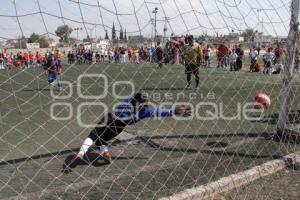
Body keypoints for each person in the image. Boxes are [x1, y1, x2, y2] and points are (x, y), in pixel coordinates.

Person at [74, 93, 191, 164]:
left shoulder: (127, 101)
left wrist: (138, 96)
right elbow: (160, 112)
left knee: (94, 135)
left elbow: (134, 97)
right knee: (101, 140)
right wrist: (174, 111)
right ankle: (105, 153)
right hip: (119, 127)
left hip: (110, 118)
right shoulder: (145, 111)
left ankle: (81, 153)